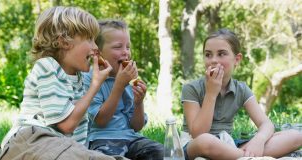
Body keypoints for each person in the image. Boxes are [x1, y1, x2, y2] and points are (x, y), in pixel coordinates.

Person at [0, 6, 123, 160]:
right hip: (30, 140)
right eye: (89, 39)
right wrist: (95, 86)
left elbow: (74, 139)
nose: (96, 47)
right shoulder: (47, 66)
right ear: (64, 41)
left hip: (60, 146)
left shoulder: (79, 78)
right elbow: (66, 125)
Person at [181, 28, 302, 160]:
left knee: (295, 136)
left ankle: (240, 156)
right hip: (196, 145)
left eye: (221, 54)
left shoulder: (241, 89)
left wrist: (258, 141)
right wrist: (211, 93)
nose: (214, 60)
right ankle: (247, 157)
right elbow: (198, 133)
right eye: (208, 54)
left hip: (228, 145)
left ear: (237, 59)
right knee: (205, 141)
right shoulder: (191, 88)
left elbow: (266, 124)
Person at [83, 19, 164, 160]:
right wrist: (119, 86)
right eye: (118, 47)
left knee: (161, 152)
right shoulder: (91, 79)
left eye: (128, 47)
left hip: (132, 138)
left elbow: (136, 126)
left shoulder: (129, 79)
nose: (125, 53)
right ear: (98, 53)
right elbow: (101, 121)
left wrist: (139, 103)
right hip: (102, 139)